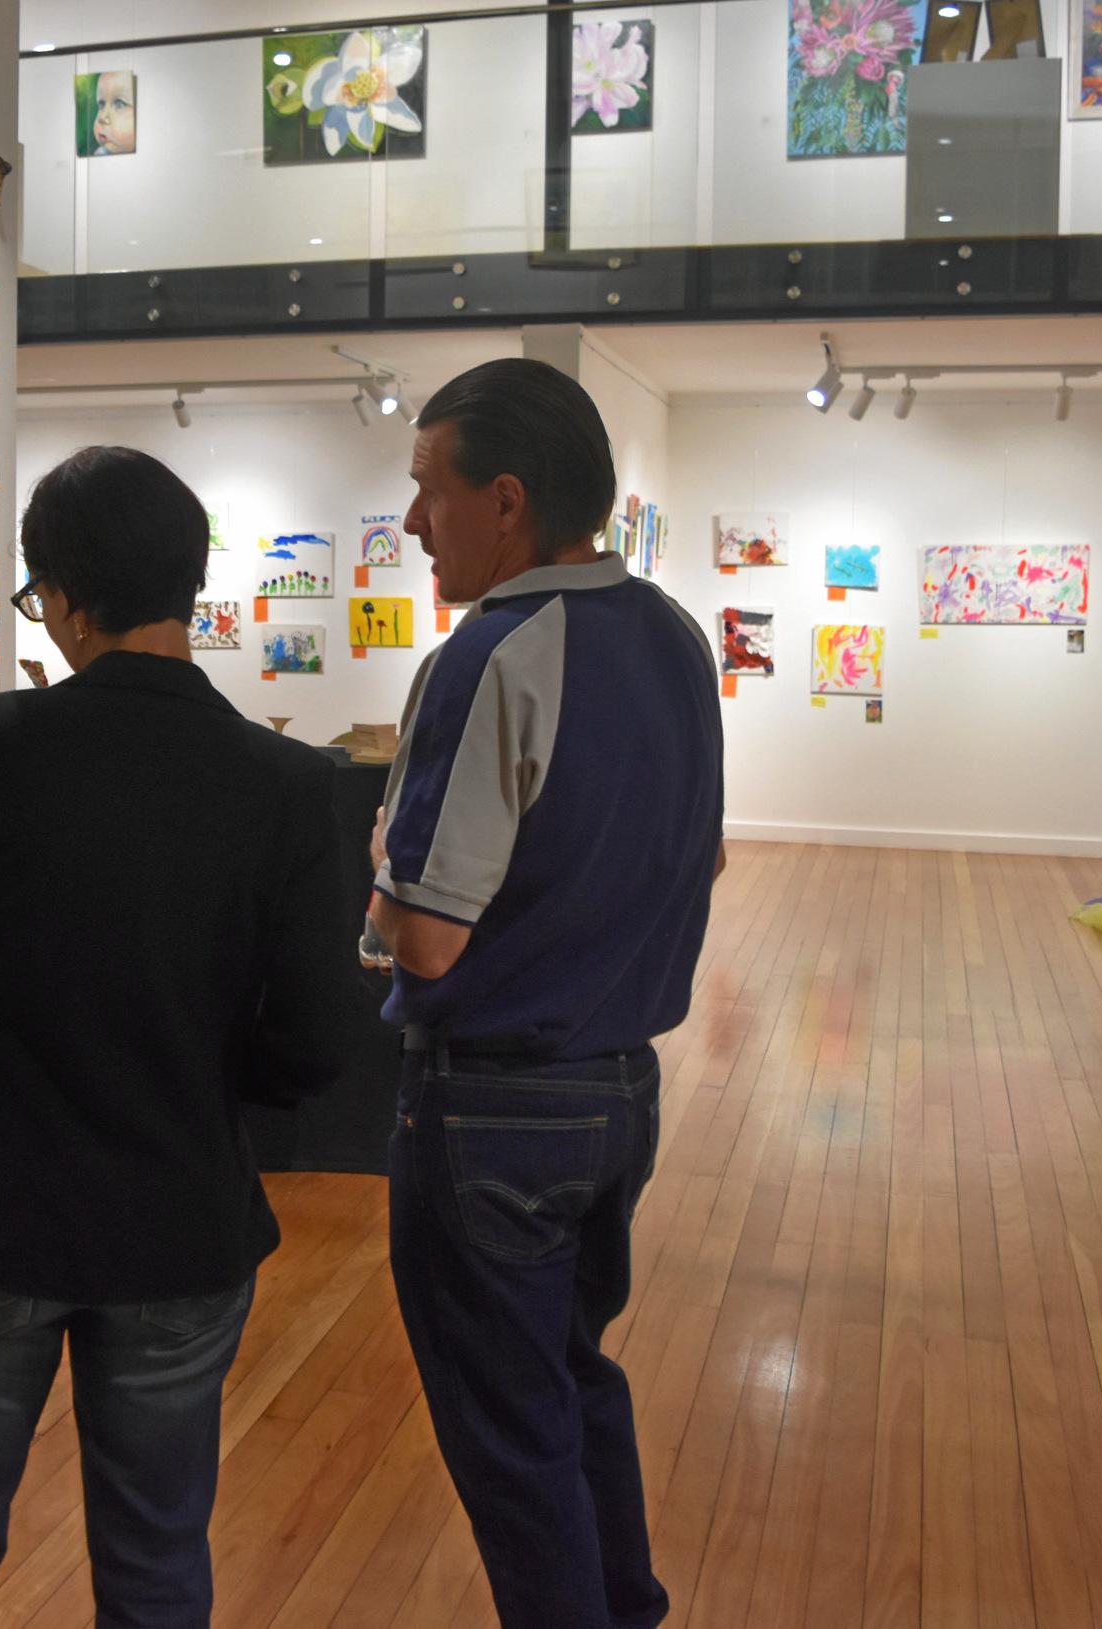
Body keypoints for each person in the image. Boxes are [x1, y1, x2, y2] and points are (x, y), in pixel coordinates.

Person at [0, 444, 355, 1627]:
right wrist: (208, 1069)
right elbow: (320, 1042)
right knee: (156, 1559)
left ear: (68, 598)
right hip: (177, 1221)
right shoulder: (287, 782)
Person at [366, 358, 724, 1629]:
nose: (413, 524)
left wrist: (377, 897)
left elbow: (428, 945)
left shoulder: (493, 654)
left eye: (428, 491)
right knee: (570, 1384)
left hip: (491, 1112)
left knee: (511, 1440)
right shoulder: (677, 637)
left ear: (504, 500)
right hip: (623, 1092)